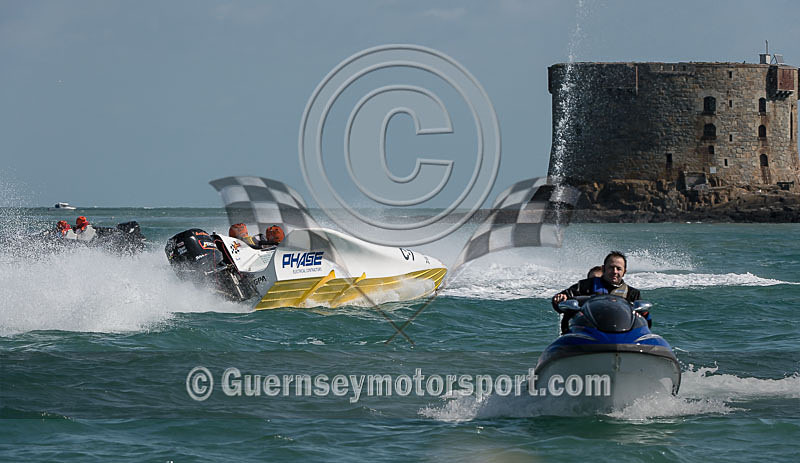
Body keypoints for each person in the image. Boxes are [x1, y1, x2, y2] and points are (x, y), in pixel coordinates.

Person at [552, 251, 641, 334]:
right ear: (603, 268)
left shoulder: (632, 293)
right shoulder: (585, 286)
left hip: (621, 334)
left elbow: (643, 319)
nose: (614, 271)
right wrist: (560, 299)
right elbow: (561, 301)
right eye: (611, 267)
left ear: (624, 271)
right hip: (587, 333)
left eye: (618, 269)